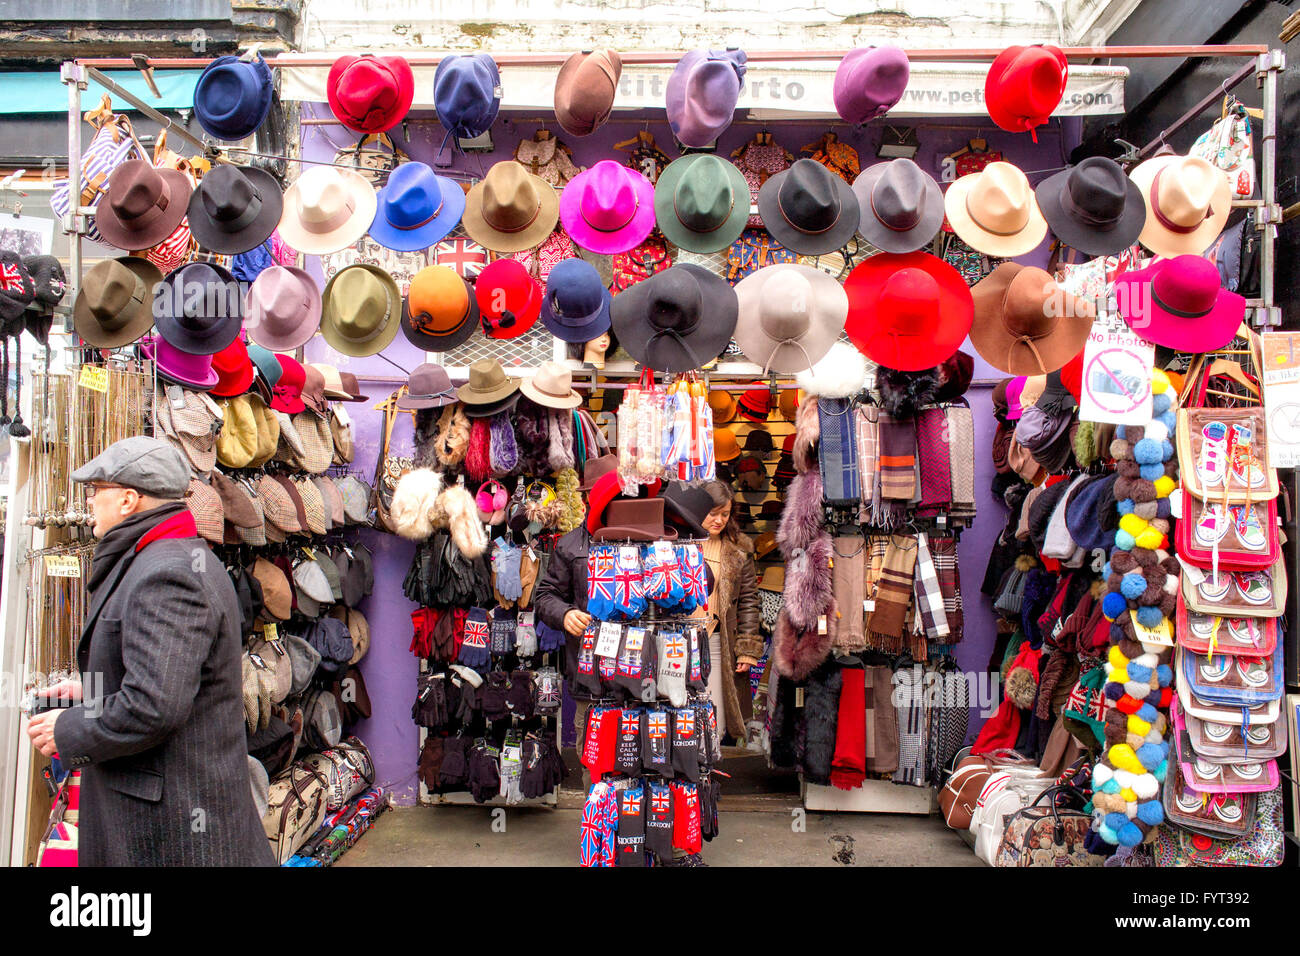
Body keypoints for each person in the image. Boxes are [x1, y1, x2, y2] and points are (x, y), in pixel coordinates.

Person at [25, 436, 273, 866]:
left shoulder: (168, 574)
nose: (90, 502)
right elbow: (171, 681)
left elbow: (155, 705)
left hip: (171, 831)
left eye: (96, 491)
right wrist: (92, 692)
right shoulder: (164, 558)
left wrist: (69, 731)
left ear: (127, 500)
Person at [695, 479, 763, 746]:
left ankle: (706, 776)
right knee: (679, 713)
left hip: (717, 641)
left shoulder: (739, 548)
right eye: (713, 513)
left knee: (715, 717)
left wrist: (746, 649)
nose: (719, 520)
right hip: (679, 640)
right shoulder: (679, 543)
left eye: (725, 514)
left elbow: (748, 600)